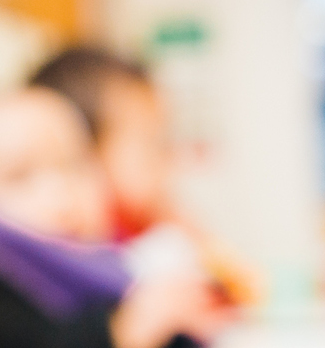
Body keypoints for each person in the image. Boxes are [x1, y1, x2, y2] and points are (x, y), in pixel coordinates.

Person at [0, 87, 236, 348]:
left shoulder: (95, 262)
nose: (62, 191)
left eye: (73, 165)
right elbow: (2, 345)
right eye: (20, 176)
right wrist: (119, 332)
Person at [31, 46, 259, 307]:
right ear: (82, 154)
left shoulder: (144, 225)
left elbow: (239, 283)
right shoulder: (80, 240)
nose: (167, 159)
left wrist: (190, 233)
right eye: (152, 144)